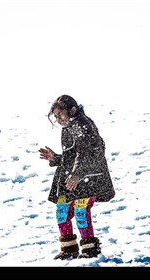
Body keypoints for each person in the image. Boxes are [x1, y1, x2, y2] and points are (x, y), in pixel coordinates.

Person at [39, 95, 115, 260]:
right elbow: (72, 156)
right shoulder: (69, 126)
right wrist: (56, 158)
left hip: (87, 179)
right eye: (56, 117)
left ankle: (90, 249)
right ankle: (69, 249)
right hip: (71, 179)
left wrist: (78, 173)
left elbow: (90, 153)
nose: (59, 120)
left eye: (61, 115)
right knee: (62, 212)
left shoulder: (84, 125)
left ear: (72, 110)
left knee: (81, 212)